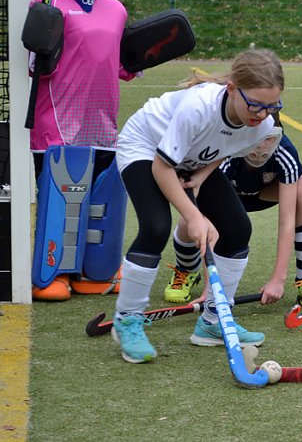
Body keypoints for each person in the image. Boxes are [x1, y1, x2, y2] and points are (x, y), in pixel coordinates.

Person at [111, 48, 284, 364]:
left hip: (192, 157)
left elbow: (225, 147)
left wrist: (202, 177)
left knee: (236, 228)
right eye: (255, 105)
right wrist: (193, 216)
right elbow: (163, 168)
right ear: (232, 89)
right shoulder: (198, 107)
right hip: (147, 147)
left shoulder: (261, 125)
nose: (261, 114)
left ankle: (214, 322)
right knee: (157, 225)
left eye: (271, 106)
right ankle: (127, 320)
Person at [28, 0, 137, 301]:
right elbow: (33, 66)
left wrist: (140, 60)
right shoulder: (46, 4)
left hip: (102, 122)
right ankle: (54, 272)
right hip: (57, 123)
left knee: (100, 199)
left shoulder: (116, 9)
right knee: (60, 198)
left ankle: (97, 270)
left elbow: (118, 64)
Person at [164, 113, 302, 311]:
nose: (261, 147)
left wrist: (278, 280)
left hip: (263, 195)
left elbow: (287, 221)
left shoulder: (285, 152)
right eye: (257, 138)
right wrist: (211, 291)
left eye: (269, 139)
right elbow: (212, 230)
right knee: (189, 221)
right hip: (225, 198)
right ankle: (186, 269)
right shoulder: (226, 151)